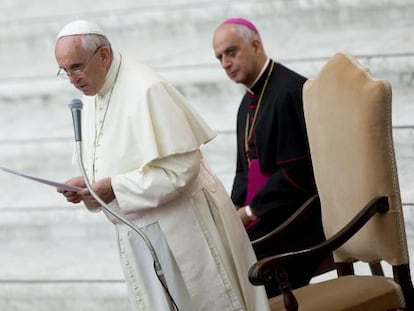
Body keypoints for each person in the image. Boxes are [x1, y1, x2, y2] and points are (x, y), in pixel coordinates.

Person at [54, 19, 270, 311]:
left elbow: (180, 170)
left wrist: (114, 188)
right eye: (64, 71)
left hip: (179, 231)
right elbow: (115, 162)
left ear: (103, 55)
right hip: (142, 236)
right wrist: (87, 186)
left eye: (76, 67)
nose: (72, 79)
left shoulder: (146, 89)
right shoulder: (94, 91)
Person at [212, 18, 326, 297]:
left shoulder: (289, 90)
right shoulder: (246, 104)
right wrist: (229, 213)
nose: (225, 63)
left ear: (255, 45)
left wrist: (250, 212)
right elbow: (243, 174)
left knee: (241, 264)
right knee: (216, 251)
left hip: (299, 218)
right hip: (266, 214)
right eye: (219, 57)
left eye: (231, 52)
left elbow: (298, 173)